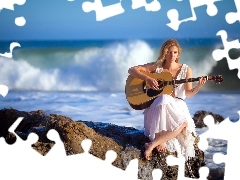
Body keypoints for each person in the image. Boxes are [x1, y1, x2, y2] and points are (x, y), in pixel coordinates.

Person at [128, 39, 207, 160]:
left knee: (183, 124)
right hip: (158, 105)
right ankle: (159, 138)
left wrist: (198, 86)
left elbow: (188, 94)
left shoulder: (186, 70)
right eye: (169, 52)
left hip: (177, 105)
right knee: (164, 98)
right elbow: (132, 70)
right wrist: (148, 79)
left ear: (178, 53)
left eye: (175, 52)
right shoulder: (156, 67)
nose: (172, 55)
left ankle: (152, 144)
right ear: (164, 53)